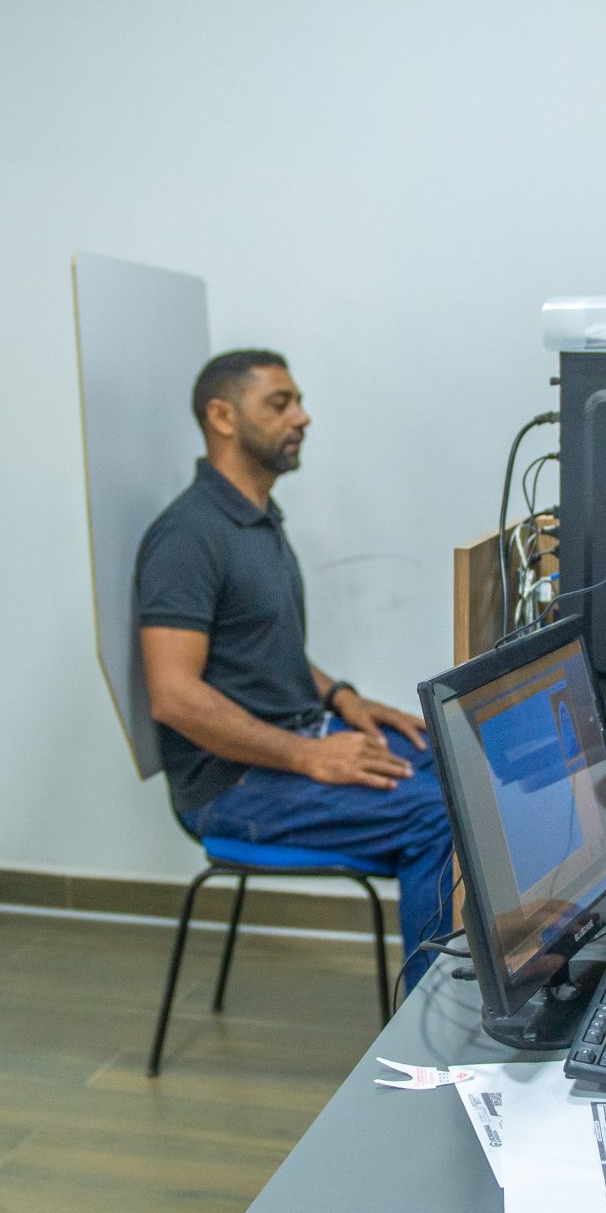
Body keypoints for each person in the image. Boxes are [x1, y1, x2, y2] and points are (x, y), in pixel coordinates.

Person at [136, 349, 458, 986]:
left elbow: (260, 646)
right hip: (230, 787)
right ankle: (429, 1031)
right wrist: (309, 756)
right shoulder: (188, 535)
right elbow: (172, 696)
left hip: (291, 747)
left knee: (464, 766)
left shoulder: (256, 519)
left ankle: (511, 991)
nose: (302, 417)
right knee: (440, 815)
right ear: (222, 416)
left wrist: (342, 696)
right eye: (280, 403)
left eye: (299, 401)